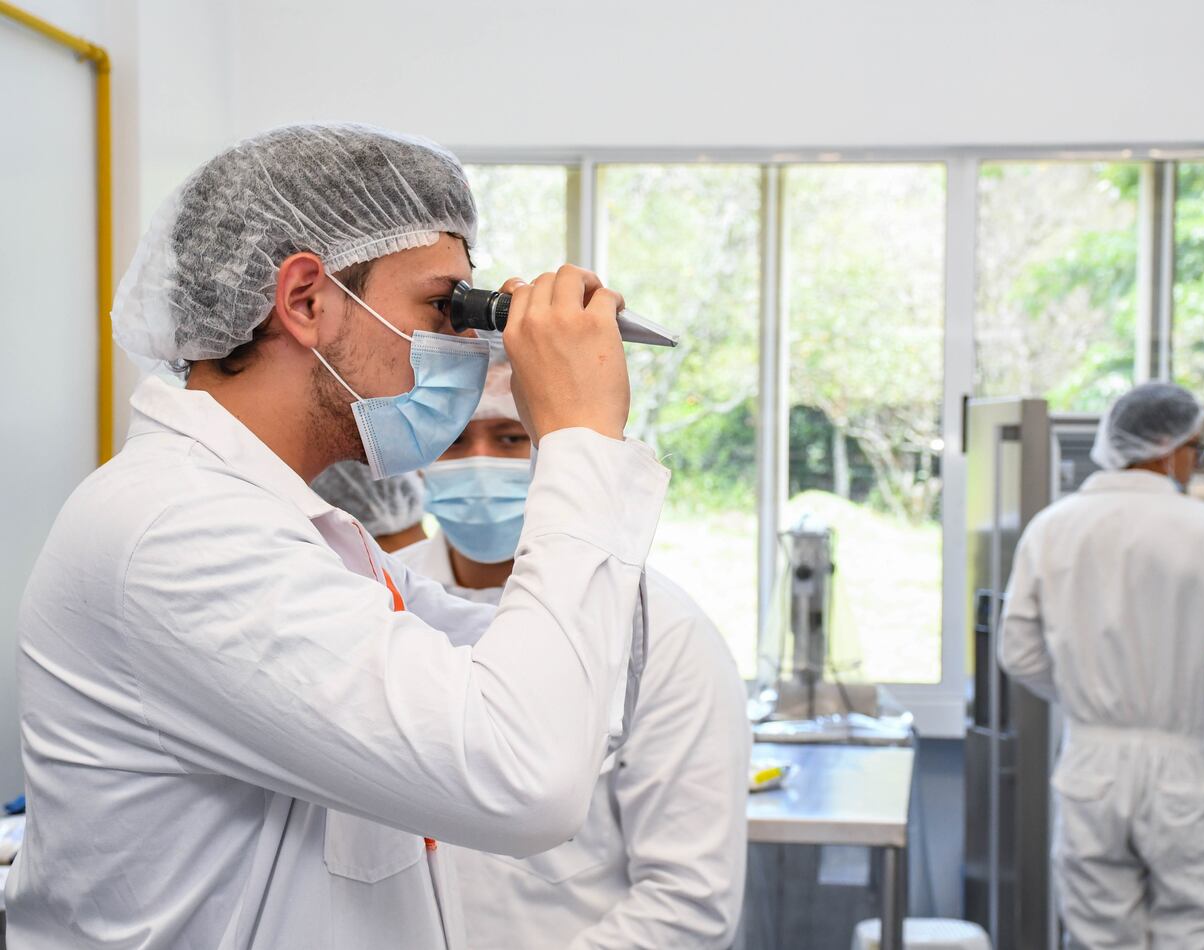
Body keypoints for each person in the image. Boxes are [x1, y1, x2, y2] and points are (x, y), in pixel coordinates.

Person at [6, 123, 670, 949]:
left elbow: (580, 677)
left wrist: (568, 435)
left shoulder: (288, 525)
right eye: (441, 305)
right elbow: (526, 776)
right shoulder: (180, 531)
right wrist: (578, 440)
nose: (466, 344)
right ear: (306, 300)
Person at [312, 351, 751, 949]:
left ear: (559, 452)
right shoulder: (374, 597)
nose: (479, 462)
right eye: (455, 438)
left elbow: (690, 901)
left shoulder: (660, 630)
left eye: (511, 436)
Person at [999, 381, 1204, 949]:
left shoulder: (1051, 529)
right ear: (1167, 447)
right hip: (1180, 766)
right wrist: (1189, 679)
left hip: (1090, 763)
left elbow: (1017, 653)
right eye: (1196, 451)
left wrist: (1086, 688)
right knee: (1198, 930)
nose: (1195, 465)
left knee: (1099, 935)